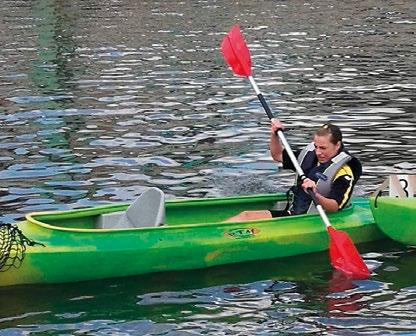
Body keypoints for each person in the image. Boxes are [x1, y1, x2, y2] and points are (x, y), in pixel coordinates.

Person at [225, 119, 362, 222]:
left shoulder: (344, 173)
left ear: (337, 145)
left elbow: (334, 206)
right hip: (294, 214)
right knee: (246, 216)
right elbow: (277, 155)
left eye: (323, 148)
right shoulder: (308, 156)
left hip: (315, 220)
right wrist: (274, 135)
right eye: (316, 147)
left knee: (249, 219)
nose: (318, 152)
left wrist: (315, 194)